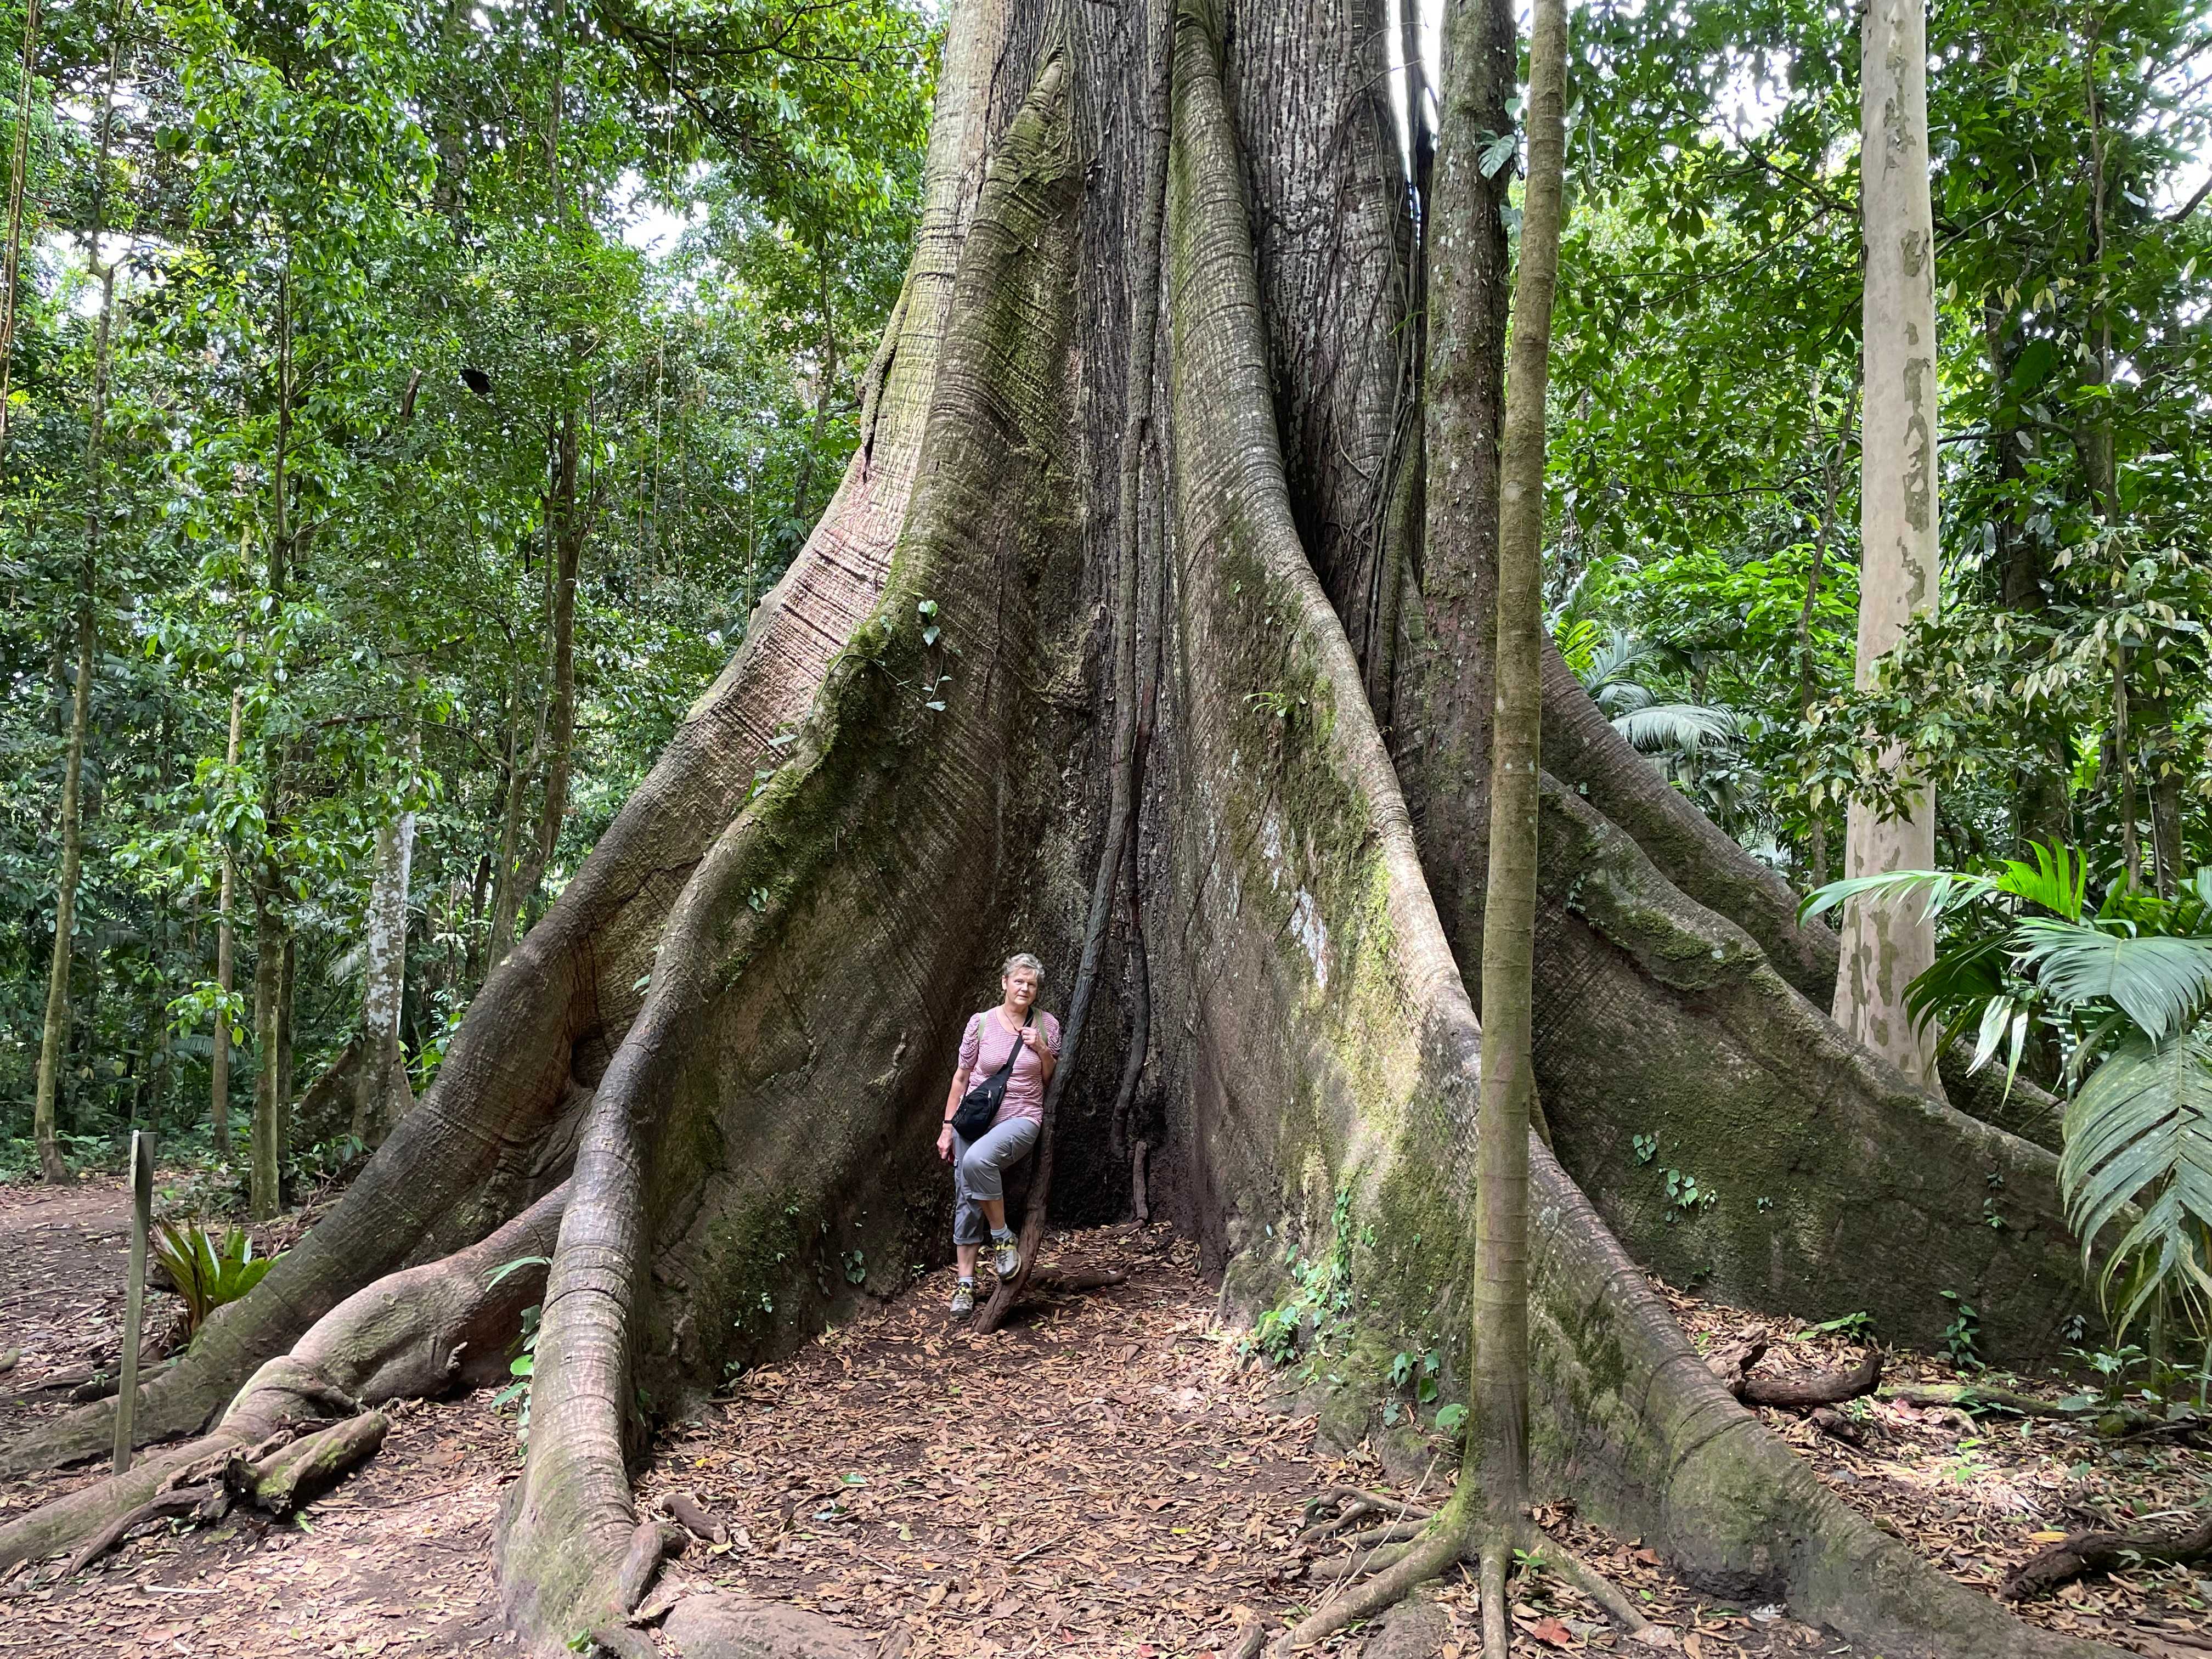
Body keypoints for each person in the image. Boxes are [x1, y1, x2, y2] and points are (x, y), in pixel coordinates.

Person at [938, 952, 1062, 1314]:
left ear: (1037, 991)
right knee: (966, 1197)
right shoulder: (980, 1023)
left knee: (977, 1161)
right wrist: (947, 1127)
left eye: (1032, 984)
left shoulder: (1047, 1025)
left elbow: (1049, 1076)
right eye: (1019, 981)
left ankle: (1003, 1238)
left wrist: (1040, 1048)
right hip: (974, 1118)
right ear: (1004, 982)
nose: (1025, 988)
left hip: (1021, 1117)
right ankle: (965, 1285)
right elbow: (961, 1078)